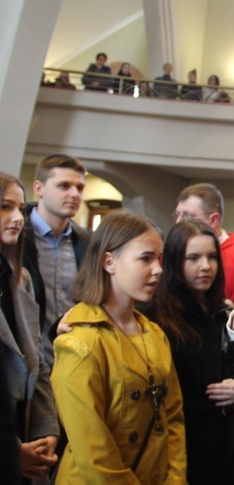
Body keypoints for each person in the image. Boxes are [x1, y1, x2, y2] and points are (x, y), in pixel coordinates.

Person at [50, 212, 186, 483]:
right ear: (109, 261)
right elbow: (93, 450)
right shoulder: (80, 340)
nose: (158, 269)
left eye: (158, 259)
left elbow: (173, 419)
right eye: (145, 258)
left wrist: (175, 479)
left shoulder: (154, 332)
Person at [148, 219, 234, 484]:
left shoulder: (222, 311)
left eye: (212, 257)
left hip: (224, 440)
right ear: (176, 262)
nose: (205, 266)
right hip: (181, 442)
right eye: (193, 258)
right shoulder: (155, 315)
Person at [0, 172, 60, 481]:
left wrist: (47, 430)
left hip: (24, 435)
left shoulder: (19, 280)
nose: (16, 218)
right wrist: (9, 452)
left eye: (20, 209)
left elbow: (36, 364)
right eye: (4, 207)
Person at [23, 154, 91, 369]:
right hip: (28, 361)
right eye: (64, 186)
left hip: (73, 361)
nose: (74, 194)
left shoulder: (88, 242)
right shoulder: (15, 238)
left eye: (79, 188)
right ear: (39, 188)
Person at [174, 183, 234, 306]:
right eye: (177, 215)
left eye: (187, 216)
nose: (178, 222)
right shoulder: (172, 252)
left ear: (213, 219)